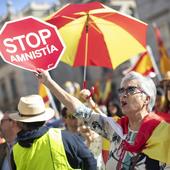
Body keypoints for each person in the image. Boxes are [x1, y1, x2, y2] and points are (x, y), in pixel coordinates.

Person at [36, 70, 170, 170]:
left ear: (146, 98)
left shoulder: (164, 132)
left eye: (131, 90)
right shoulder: (115, 128)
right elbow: (79, 110)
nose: (123, 95)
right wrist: (48, 82)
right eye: (121, 90)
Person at [9, 95, 97, 170]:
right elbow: (91, 163)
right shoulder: (65, 138)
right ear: (45, 119)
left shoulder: (15, 152)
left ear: (20, 122)